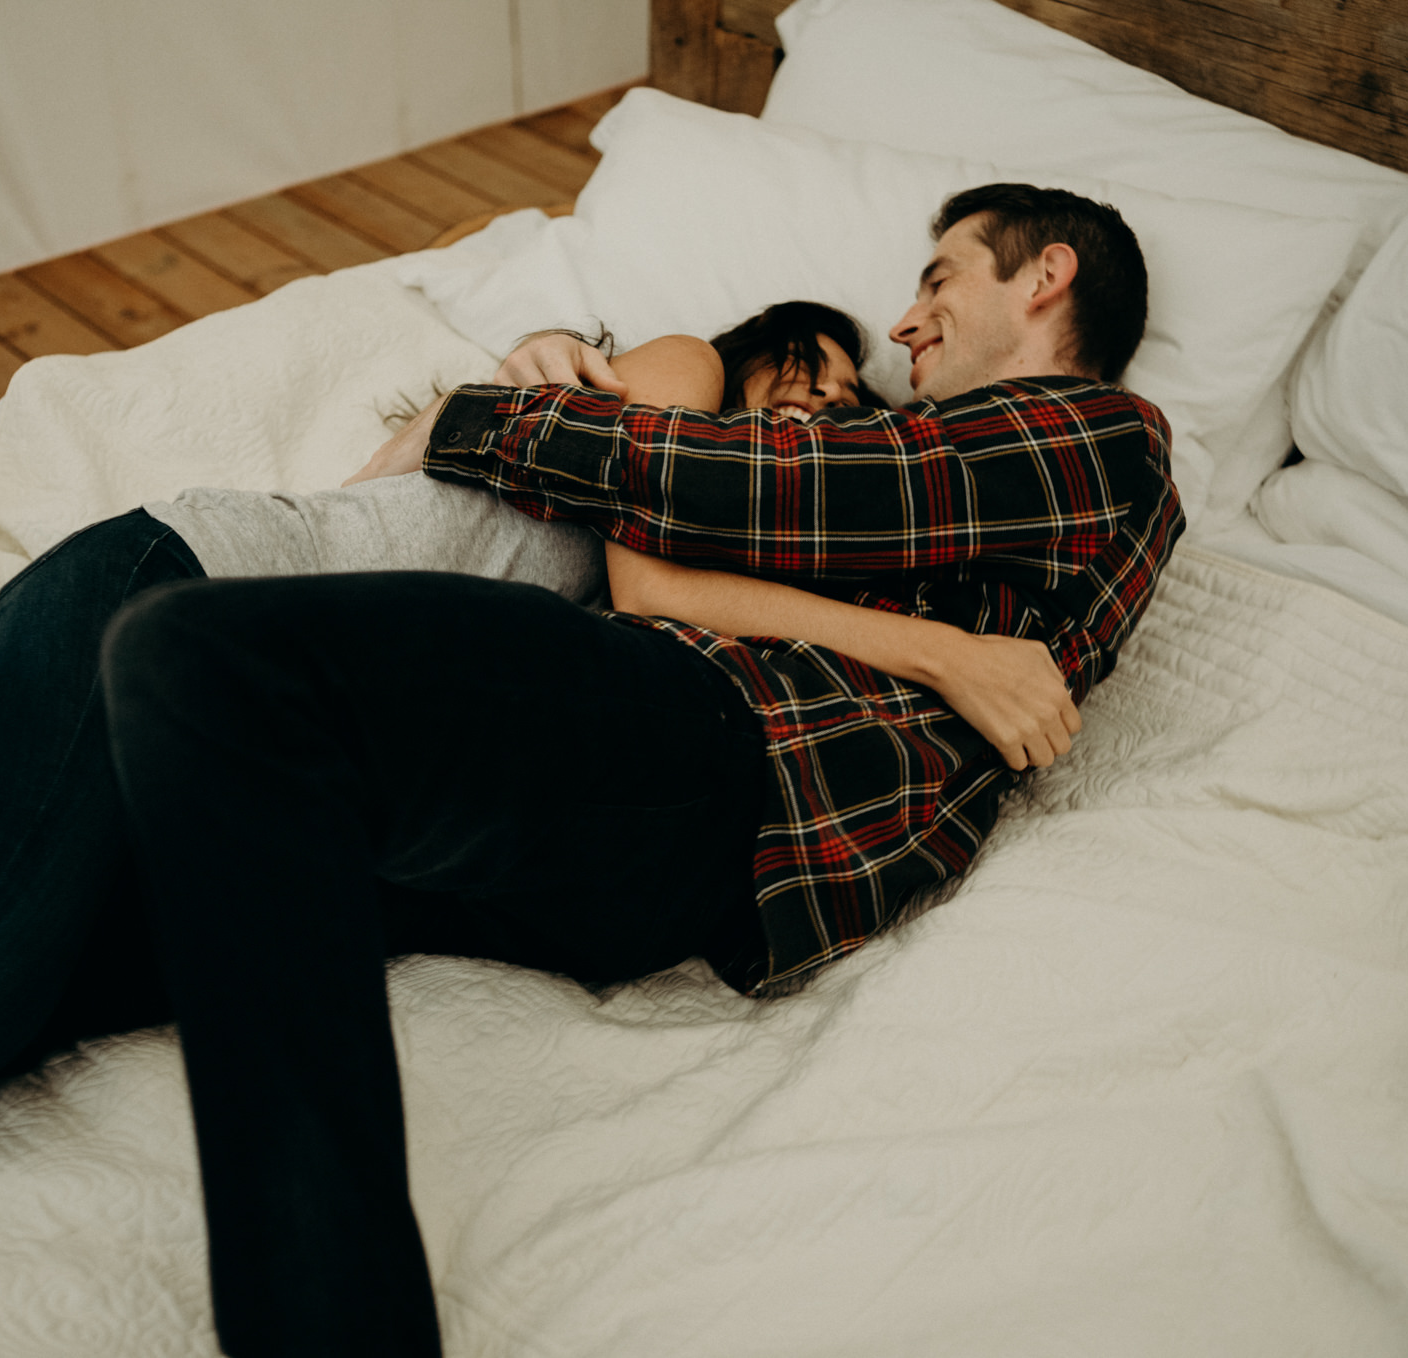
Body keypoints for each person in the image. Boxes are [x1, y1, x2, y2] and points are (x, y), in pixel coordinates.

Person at [0, 301, 879, 1299]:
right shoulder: (674, 383)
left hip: (205, 687)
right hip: (163, 599)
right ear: (768, 352)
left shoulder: (582, 501)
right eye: (810, 377)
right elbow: (632, 539)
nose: (814, 412)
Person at [97, 181, 1182, 1354]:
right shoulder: (921, 471)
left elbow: (741, 489)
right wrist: (932, 645)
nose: (908, 322)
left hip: (710, 745)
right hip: (635, 831)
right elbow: (676, 558)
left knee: (194, 648)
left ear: (1047, 277)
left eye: (939, 278)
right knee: (112, 898)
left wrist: (480, 410)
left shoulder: (1104, 440)